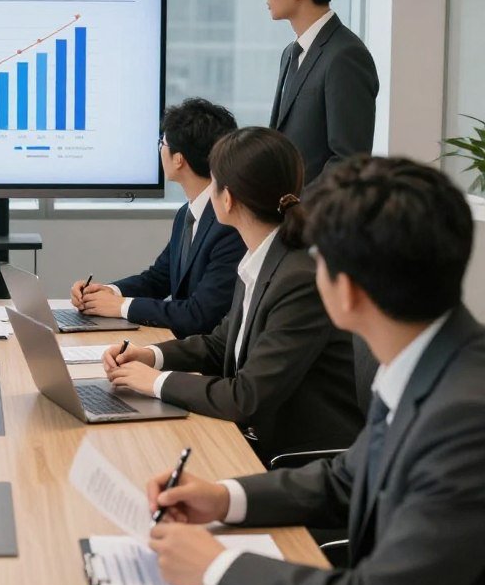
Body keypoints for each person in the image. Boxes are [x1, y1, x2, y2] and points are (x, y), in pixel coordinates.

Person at [144, 157, 485, 585]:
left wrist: (215, 567)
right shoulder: (429, 358)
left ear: (345, 291)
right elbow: (345, 476)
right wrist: (223, 497)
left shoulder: (463, 418)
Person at [103, 127, 362, 464]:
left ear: (227, 199)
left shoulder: (299, 279)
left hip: (295, 458)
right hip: (254, 436)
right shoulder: (262, 256)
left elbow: (246, 397)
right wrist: (150, 355)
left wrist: (156, 382)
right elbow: (220, 343)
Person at [70, 98, 244, 337]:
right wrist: (107, 292)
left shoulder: (228, 223)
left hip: (204, 356)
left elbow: (200, 314)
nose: (160, 149)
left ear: (178, 159)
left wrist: (120, 307)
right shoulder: (188, 212)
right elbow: (158, 278)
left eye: (162, 142)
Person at [263, 0, 379, 184]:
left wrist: (296, 210)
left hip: (316, 217)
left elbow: (349, 161)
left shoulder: (345, 55)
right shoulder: (290, 52)